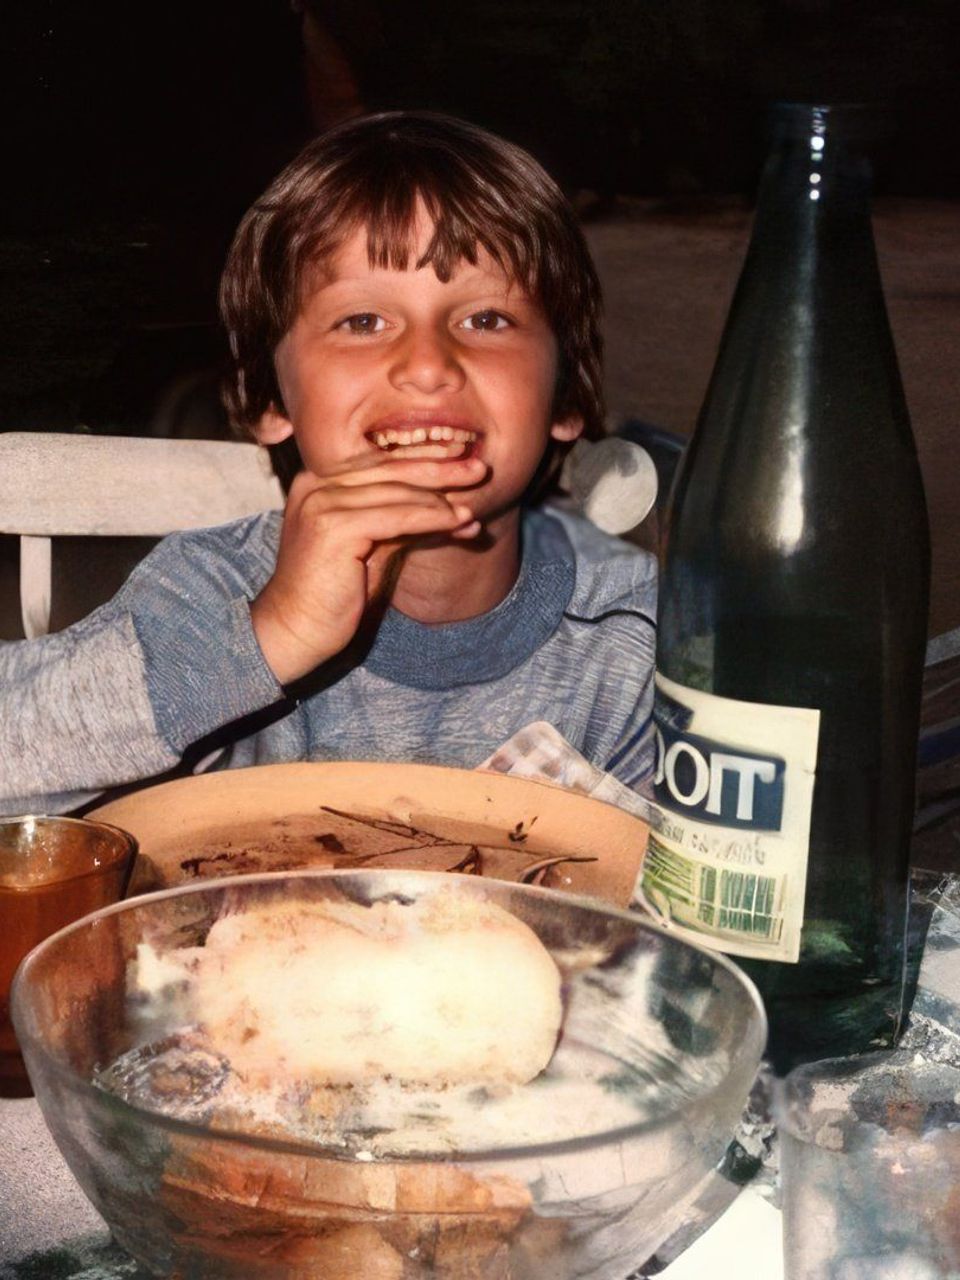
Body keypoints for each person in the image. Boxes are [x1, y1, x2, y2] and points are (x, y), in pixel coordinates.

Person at [0, 111, 656, 816]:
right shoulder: (213, 590)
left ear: (566, 396)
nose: (428, 366)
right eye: (363, 321)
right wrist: (268, 636)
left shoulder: (638, 634)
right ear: (268, 398)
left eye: (485, 320)